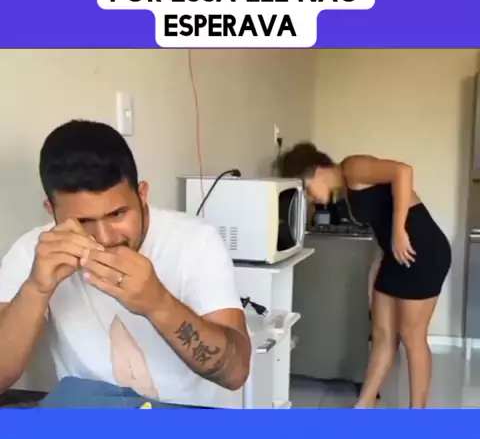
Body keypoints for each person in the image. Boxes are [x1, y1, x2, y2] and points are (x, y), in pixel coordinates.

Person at [0, 120, 251, 407]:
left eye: (118, 214)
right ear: (51, 210)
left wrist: (157, 303)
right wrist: (36, 289)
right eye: (83, 221)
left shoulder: (195, 241)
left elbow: (235, 373)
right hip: (87, 416)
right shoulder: (35, 251)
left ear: (142, 194)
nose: (105, 238)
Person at [277, 142, 452, 409]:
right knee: (382, 336)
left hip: (423, 251)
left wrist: (399, 229)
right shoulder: (347, 195)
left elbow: (403, 171)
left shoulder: (352, 167)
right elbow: (381, 231)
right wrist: (375, 275)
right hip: (393, 256)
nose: (312, 200)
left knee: (411, 335)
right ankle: (364, 405)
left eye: (308, 192)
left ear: (315, 171)